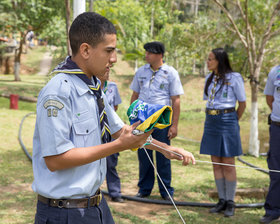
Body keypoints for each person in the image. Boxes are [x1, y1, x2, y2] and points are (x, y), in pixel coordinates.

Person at [32, 12, 195, 224]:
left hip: (95, 207)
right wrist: (118, 146)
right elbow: (55, 159)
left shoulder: (93, 88)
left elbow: (121, 131)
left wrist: (166, 149)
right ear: (85, 50)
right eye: (109, 51)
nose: (114, 59)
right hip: (64, 213)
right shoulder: (59, 92)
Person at [130, 41, 184, 200]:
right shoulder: (140, 72)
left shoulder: (171, 73)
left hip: (162, 120)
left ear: (159, 55)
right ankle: (144, 189)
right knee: (144, 154)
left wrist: (174, 125)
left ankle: (166, 190)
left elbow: (176, 100)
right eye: (146, 52)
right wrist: (133, 117)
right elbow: (135, 95)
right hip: (143, 120)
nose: (146, 55)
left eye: (150, 53)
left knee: (164, 155)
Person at [200, 48, 246, 217]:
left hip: (227, 120)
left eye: (211, 59)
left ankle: (230, 201)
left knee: (228, 161)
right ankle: (221, 200)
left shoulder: (234, 78)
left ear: (220, 60)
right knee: (216, 161)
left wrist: (233, 121)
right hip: (211, 121)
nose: (208, 62)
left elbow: (242, 104)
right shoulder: (210, 78)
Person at [100, 71, 124, 203]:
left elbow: (115, 107)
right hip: (95, 130)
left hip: (111, 129)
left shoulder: (112, 87)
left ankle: (115, 192)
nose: (107, 70)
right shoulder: (91, 87)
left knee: (111, 162)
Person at [260, 65, 280, 223]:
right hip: (277, 127)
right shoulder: (275, 71)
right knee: (275, 170)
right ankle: (273, 210)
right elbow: (270, 99)